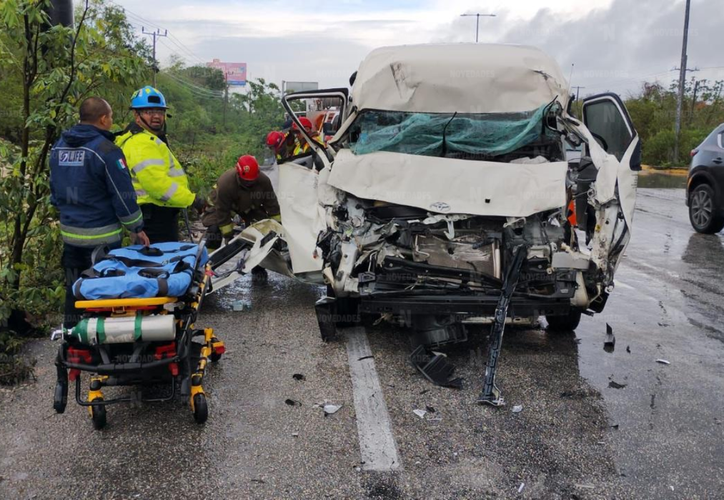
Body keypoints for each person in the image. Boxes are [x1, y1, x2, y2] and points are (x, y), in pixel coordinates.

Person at [50, 97, 149, 329]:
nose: (112, 120)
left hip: (70, 235)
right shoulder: (107, 151)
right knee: (104, 292)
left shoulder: (59, 147)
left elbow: (55, 190)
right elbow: (123, 196)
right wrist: (137, 229)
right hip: (101, 241)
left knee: (74, 289)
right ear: (103, 119)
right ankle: (103, 348)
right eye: (111, 116)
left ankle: (71, 340)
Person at [116, 86, 205, 243]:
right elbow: (157, 185)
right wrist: (191, 200)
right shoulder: (142, 144)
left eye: (160, 111)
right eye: (149, 112)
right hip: (154, 220)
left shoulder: (147, 139)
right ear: (136, 115)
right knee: (159, 265)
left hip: (156, 216)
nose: (156, 116)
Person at [201, 155, 281, 251]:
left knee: (262, 229)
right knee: (214, 229)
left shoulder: (264, 181)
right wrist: (228, 235)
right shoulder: (226, 183)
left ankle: (257, 258)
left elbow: (272, 205)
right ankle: (208, 259)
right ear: (238, 174)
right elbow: (222, 210)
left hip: (247, 207)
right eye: (246, 181)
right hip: (222, 206)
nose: (249, 184)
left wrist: (278, 227)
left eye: (252, 181)